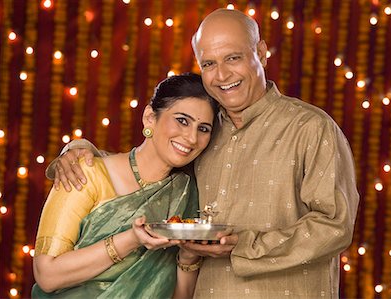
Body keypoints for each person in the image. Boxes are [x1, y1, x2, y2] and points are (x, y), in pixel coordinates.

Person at [49, 8, 359, 299]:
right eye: (208, 64)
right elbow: (151, 165)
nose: (221, 75)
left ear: (261, 53)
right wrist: (81, 150)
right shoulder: (205, 131)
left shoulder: (311, 128)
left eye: (233, 58)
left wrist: (245, 247)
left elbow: (335, 225)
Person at [32, 73, 218, 299]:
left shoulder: (184, 193)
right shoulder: (85, 172)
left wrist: (189, 257)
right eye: (182, 120)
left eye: (203, 129)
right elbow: (47, 275)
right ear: (150, 117)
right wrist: (132, 239)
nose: (191, 138)